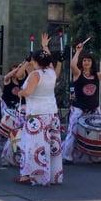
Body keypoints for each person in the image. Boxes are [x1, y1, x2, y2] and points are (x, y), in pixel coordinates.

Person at [62, 43, 101, 164]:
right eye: (84, 60)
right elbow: (72, 65)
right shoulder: (77, 74)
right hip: (78, 109)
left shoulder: (96, 76)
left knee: (100, 132)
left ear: (92, 63)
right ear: (82, 62)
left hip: (94, 108)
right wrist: (78, 51)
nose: (86, 62)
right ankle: (67, 156)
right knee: (73, 132)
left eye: (89, 61)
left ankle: (100, 157)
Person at [15, 48, 62, 186]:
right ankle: (53, 175)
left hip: (37, 114)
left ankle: (32, 176)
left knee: (33, 146)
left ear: (35, 61)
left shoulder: (36, 74)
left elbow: (28, 92)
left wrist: (20, 93)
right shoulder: (52, 73)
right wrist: (45, 47)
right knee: (52, 144)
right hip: (51, 112)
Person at [0, 61, 27, 167]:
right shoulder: (8, 80)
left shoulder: (22, 81)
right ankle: (6, 155)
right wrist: (18, 68)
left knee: (17, 134)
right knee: (13, 132)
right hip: (8, 107)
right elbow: (6, 76)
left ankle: (14, 156)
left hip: (19, 108)